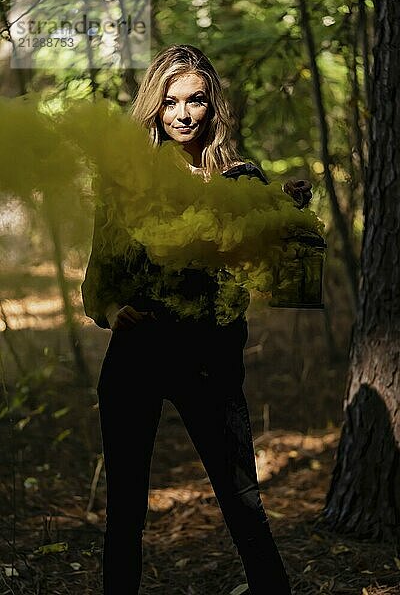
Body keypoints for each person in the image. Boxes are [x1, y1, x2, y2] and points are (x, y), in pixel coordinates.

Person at [81, 44, 307, 595]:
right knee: (126, 509)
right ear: (155, 109)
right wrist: (115, 311)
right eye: (172, 101)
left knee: (242, 499)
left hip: (211, 358)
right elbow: (97, 285)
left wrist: (289, 213)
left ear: (213, 106)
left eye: (197, 100)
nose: (184, 113)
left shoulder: (240, 179)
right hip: (138, 355)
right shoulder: (127, 182)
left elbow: (282, 273)